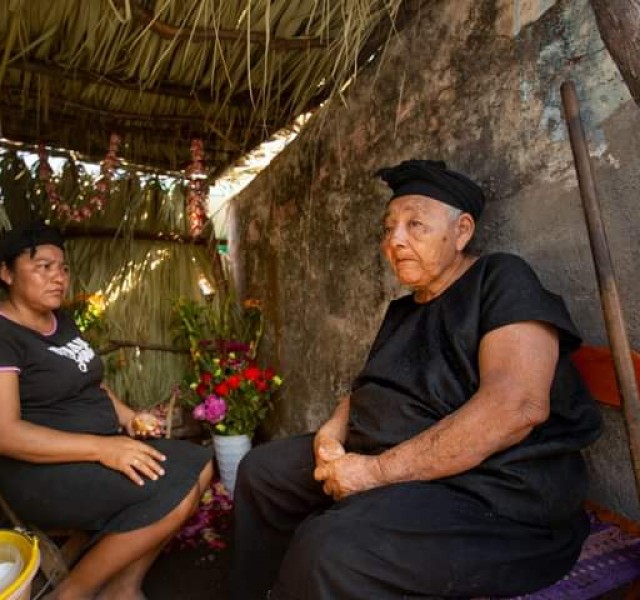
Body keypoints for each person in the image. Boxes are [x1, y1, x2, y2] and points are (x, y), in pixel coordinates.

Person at [230, 159, 602, 600]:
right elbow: (369, 389)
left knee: (331, 547)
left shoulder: (500, 278)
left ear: (462, 232)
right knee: (263, 472)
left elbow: (516, 405)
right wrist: (330, 435)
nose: (395, 241)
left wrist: (373, 473)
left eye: (415, 225)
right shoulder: (405, 309)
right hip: (398, 460)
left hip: (492, 493)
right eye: (388, 229)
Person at [0, 224, 213, 600]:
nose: (59, 277)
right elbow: (1, 435)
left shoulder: (63, 322)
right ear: (6, 273)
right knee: (168, 490)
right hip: (40, 471)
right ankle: (71, 593)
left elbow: (91, 381)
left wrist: (126, 416)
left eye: (63, 267)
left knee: (200, 465)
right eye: (43, 266)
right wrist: (104, 449)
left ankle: (122, 587)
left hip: (95, 448)